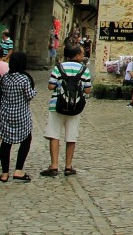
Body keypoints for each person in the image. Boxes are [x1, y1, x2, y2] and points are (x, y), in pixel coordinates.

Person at [41, 44, 92, 177]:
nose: (83, 56)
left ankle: (54, 165)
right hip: (75, 106)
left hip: (57, 104)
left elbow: (51, 86)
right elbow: (87, 89)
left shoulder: (58, 68)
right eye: (81, 53)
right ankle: (68, 166)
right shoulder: (84, 70)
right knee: (71, 137)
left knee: (54, 135)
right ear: (76, 55)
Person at [0, 52, 35, 182]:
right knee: (26, 139)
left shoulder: (5, 77)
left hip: (5, 114)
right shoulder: (24, 79)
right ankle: (18, 170)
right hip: (20, 114)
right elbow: (29, 95)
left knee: (6, 142)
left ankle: (4, 173)